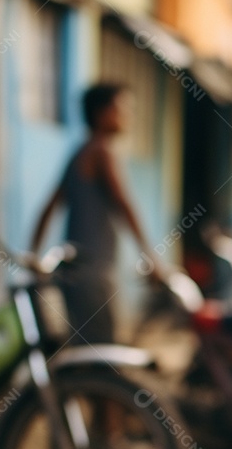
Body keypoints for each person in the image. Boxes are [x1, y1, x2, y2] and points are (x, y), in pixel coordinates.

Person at [30, 82, 162, 344]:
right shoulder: (102, 151)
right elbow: (124, 204)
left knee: (83, 346)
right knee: (100, 349)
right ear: (102, 114)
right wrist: (150, 256)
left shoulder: (80, 152)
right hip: (94, 273)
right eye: (122, 109)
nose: (128, 117)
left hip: (74, 271)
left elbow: (49, 206)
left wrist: (33, 254)